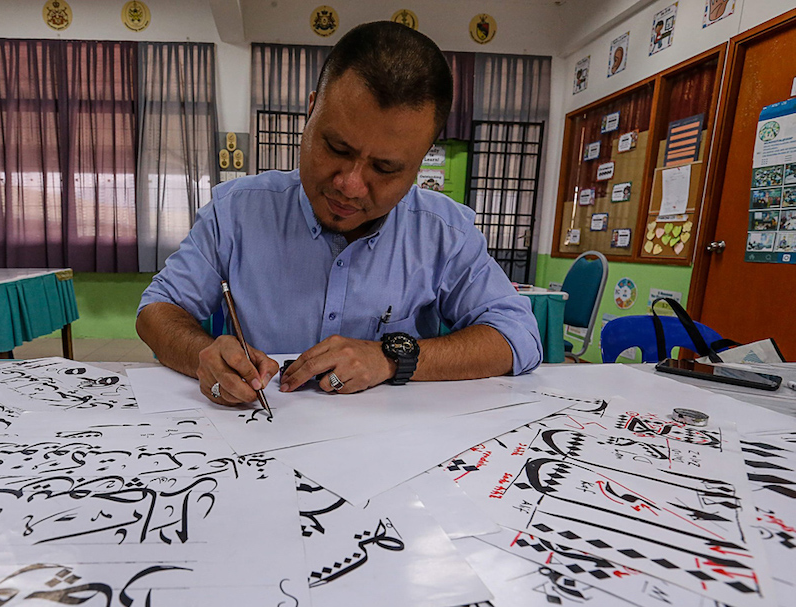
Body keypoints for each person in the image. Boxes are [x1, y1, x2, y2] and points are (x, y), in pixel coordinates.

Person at [137, 21, 542, 408]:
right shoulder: (237, 212)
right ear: (311, 111)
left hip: (395, 454)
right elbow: (157, 310)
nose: (349, 185)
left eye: (384, 169)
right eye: (336, 147)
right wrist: (202, 353)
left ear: (420, 163)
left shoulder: (444, 233)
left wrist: (391, 357)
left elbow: (517, 335)